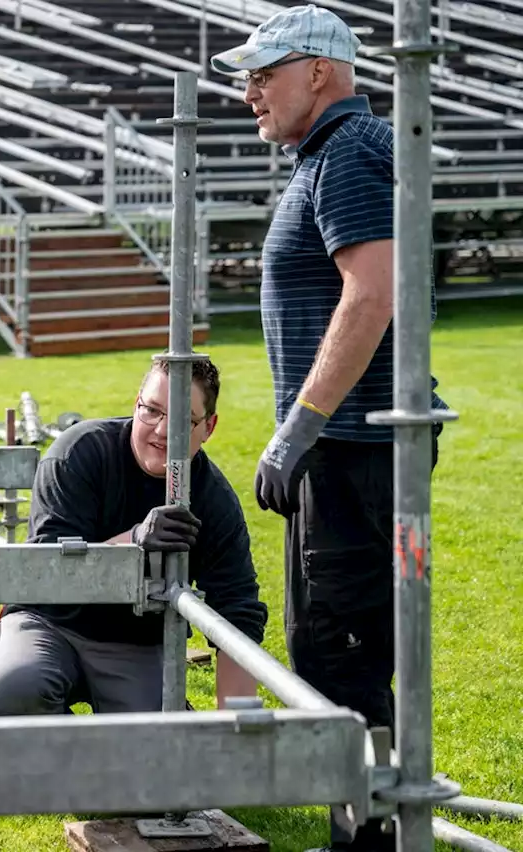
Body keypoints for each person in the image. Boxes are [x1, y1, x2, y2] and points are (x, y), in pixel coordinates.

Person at [210, 6, 447, 850]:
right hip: (348, 448)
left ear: (319, 71)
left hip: (350, 449)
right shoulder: (333, 152)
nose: (249, 94)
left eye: (263, 74)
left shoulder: (346, 151)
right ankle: (363, 832)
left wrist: (297, 430)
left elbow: (372, 295)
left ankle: (369, 840)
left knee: (340, 656)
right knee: (335, 652)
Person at [0, 357, 268, 718]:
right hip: (49, 621)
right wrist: (134, 540)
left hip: (134, 642)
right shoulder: (79, 453)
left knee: (159, 745)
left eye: (183, 421)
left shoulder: (213, 499)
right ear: (136, 402)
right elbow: (47, 569)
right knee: (16, 686)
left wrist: (237, 732)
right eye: (152, 410)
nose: (162, 431)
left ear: (208, 427)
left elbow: (236, 612)